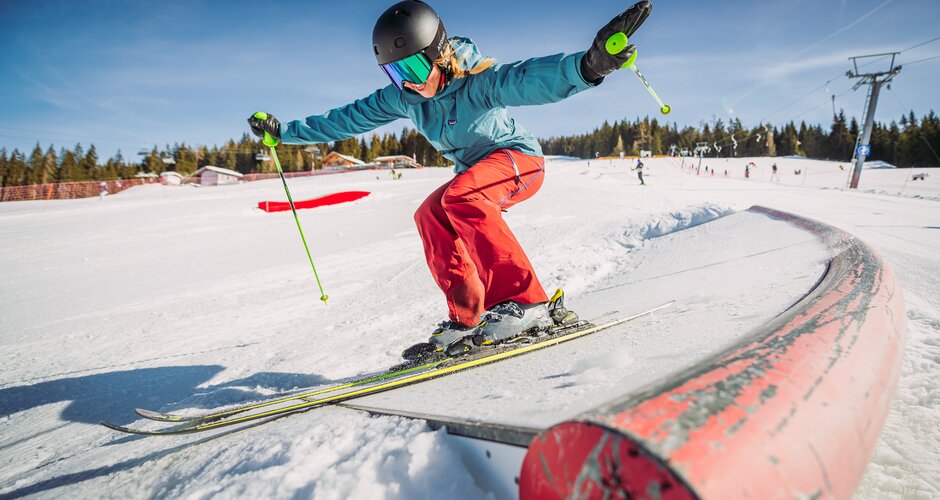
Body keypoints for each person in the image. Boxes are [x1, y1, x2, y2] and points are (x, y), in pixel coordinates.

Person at [248, 0, 652, 353]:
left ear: (438, 54)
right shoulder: (405, 96)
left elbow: (529, 78)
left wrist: (588, 65)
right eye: (393, 72)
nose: (405, 80)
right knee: (431, 213)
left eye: (411, 66)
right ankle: (467, 319)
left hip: (517, 161)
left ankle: (526, 304)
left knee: (460, 197)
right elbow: (347, 118)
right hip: (475, 176)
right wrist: (285, 134)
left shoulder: (476, 80)